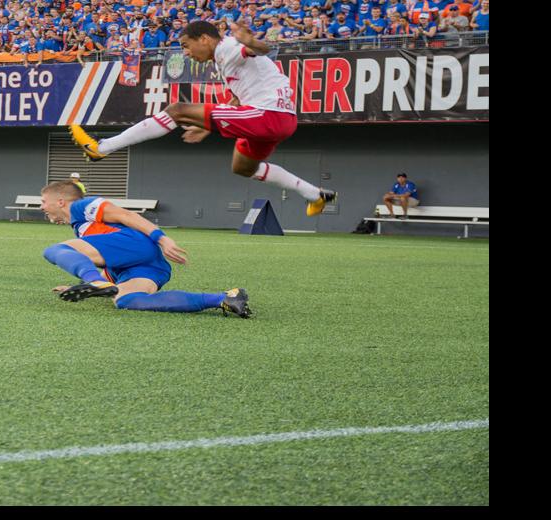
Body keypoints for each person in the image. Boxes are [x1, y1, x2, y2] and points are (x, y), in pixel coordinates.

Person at [69, 20, 334, 217]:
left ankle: (101, 148)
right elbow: (238, 99)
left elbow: (260, 49)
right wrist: (206, 127)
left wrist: (250, 41)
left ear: (205, 38)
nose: (185, 52)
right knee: (243, 167)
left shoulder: (228, 48)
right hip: (275, 119)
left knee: (177, 110)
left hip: (267, 115)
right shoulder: (223, 59)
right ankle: (314, 194)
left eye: (186, 46)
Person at [39, 180, 250, 318]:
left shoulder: (81, 206)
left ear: (60, 202)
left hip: (135, 245)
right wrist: (79, 287)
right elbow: (109, 259)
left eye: (43, 202)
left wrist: (162, 238)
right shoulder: (84, 228)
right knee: (127, 300)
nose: (41, 207)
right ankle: (225, 297)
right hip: (146, 265)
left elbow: (127, 216)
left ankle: (93, 280)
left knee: (53, 250)